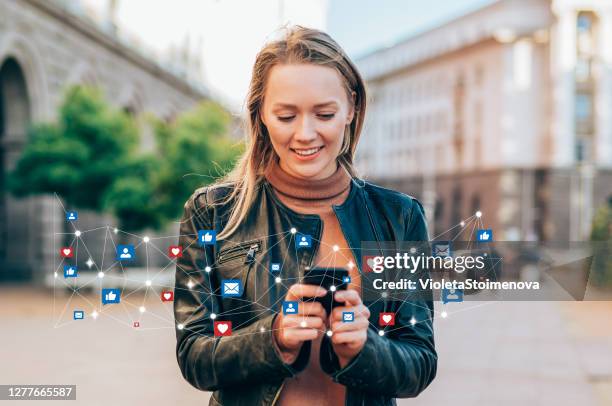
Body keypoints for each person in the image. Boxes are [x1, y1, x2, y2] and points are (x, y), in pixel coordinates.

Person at [174, 25, 437, 406]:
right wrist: (273, 336)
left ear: (351, 108)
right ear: (260, 113)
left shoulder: (399, 216)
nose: (305, 134)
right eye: (286, 116)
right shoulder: (211, 213)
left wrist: (364, 349)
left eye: (324, 113)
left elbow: (420, 363)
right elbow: (194, 356)